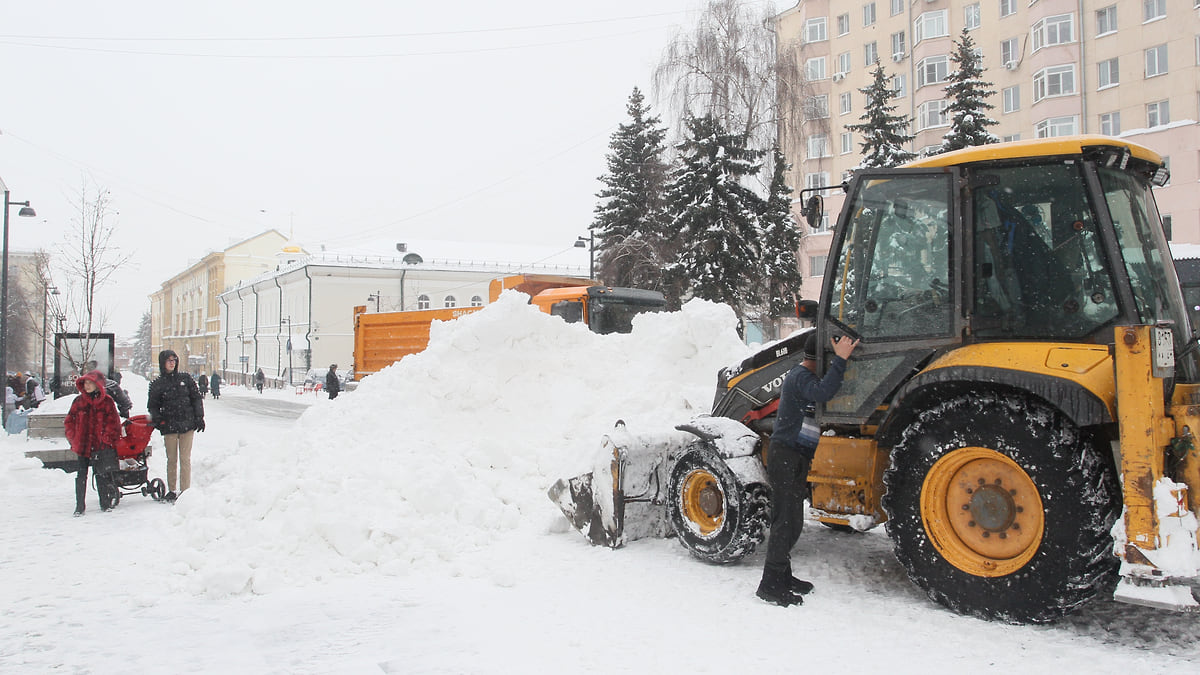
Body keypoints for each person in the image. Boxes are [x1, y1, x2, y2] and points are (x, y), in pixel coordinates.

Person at [757, 330, 859, 607]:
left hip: (796, 455)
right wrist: (841, 360)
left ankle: (783, 575)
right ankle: (769, 584)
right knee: (784, 522)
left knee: (793, 521)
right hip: (786, 455)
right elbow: (824, 391)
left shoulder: (806, 376)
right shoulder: (801, 377)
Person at [147, 350, 205, 501]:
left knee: (185, 459)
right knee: (171, 459)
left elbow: (196, 398)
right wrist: (159, 420)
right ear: (163, 363)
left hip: (187, 424)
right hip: (170, 426)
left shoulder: (185, 379)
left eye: (174, 360)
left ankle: (185, 491)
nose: (172, 363)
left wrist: (199, 417)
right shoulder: (157, 384)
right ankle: (172, 489)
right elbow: (152, 406)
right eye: (169, 360)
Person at [63, 371, 123, 516]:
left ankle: (105, 502)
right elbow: (69, 421)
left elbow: (114, 422)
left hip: (100, 445)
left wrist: (106, 438)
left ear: (97, 385)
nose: (87, 386)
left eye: (90, 383)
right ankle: (79, 506)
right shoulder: (79, 401)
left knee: (102, 474)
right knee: (81, 474)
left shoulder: (107, 401)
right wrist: (73, 438)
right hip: (83, 444)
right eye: (85, 383)